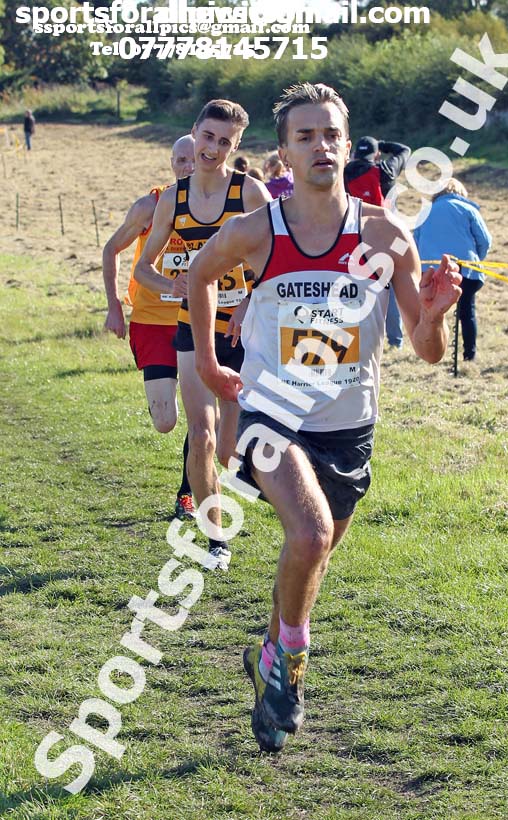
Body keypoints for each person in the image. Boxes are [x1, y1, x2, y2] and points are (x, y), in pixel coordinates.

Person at [186, 82, 461, 752]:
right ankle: (293, 669)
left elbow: (426, 353)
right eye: (305, 136)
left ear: (345, 143)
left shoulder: (384, 236)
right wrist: (206, 361)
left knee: (311, 557)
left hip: (348, 424)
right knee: (307, 536)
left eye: (331, 134)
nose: (321, 146)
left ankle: (268, 655)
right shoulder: (256, 231)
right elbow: (197, 275)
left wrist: (432, 315)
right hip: (269, 416)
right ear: (283, 151)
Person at [135, 99, 271, 569]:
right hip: (192, 328)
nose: (212, 149)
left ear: (236, 147)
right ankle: (215, 539)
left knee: (230, 448)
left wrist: (250, 301)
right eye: (207, 137)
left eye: (224, 142)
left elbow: (279, 263)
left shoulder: (251, 194)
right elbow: (143, 267)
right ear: (195, 133)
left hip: (241, 331)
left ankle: (236, 491)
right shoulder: (173, 198)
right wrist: (172, 283)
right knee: (203, 436)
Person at [103, 134, 196, 520]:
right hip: (151, 321)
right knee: (165, 422)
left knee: (203, 417)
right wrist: (113, 307)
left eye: (194, 160)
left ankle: (187, 494)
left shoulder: (224, 207)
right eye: (181, 160)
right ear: (172, 163)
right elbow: (111, 249)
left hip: (197, 320)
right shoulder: (151, 206)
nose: (188, 167)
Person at [344, 136, 411, 350]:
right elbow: (405, 149)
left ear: (354, 153)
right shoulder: (385, 170)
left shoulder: (342, 173)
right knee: (389, 286)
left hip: (352, 237)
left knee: (356, 287)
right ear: (376, 154)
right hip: (388, 237)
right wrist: (383, 144)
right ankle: (395, 340)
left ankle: (359, 332)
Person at [414, 177, 491, 362]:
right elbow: (485, 240)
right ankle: (469, 354)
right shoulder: (468, 209)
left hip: (432, 272)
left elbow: (415, 241)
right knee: (467, 310)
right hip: (467, 271)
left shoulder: (426, 212)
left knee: (433, 311)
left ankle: (431, 346)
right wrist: (476, 260)